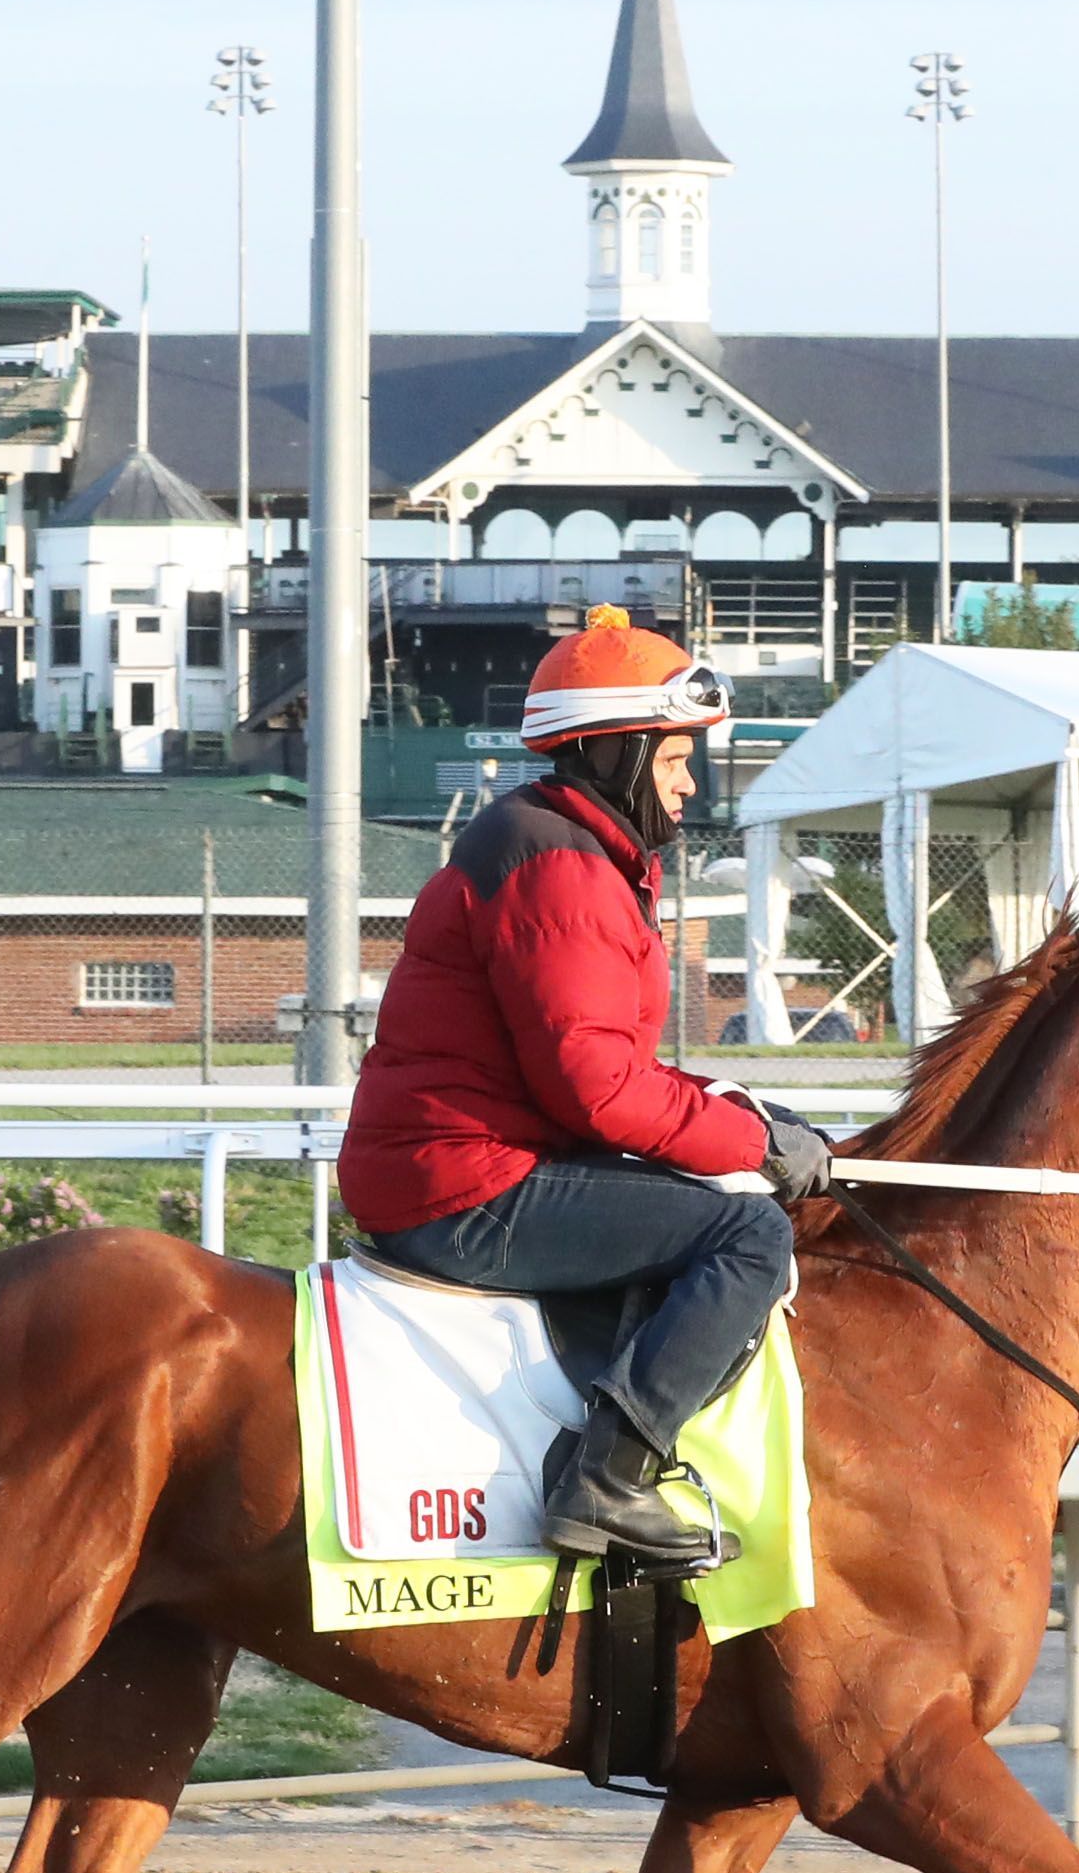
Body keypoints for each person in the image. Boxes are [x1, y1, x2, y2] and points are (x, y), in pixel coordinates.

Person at [339, 608, 831, 1572]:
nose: (692, 785)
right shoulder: (559, 864)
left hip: (463, 1164)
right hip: (464, 1187)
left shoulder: (575, 851)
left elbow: (603, 1058)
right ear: (617, 752)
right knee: (748, 1231)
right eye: (678, 760)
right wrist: (755, 1151)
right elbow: (598, 1092)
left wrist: (752, 1118)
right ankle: (606, 1482)